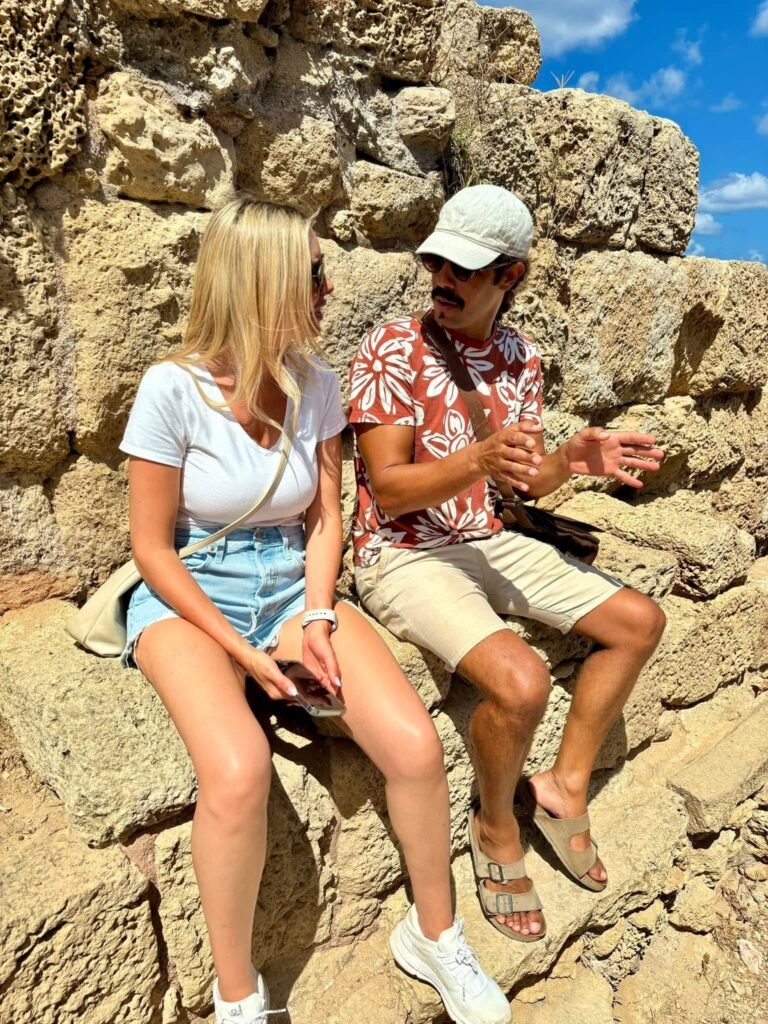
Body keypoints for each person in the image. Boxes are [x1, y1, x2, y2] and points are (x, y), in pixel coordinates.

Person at [118, 195, 512, 1024]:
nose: (331, 286)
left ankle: (434, 936)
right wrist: (244, 651)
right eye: (316, 272)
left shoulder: (317, 384)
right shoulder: (171, 391)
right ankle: (238, 999)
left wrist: (321, 616)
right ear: (265, 281)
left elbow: (326, 517)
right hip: (191, 593)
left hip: (292, 583)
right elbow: (152, 547)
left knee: (413, 744)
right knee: (237, 771)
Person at [348, 184, 667, 943]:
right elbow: (389, 492)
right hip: (403, 553)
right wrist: (476, 459)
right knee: (520, 681)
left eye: (464, 269)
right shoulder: (393, 348)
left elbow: (523, 480)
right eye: (436, 262)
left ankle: (562, 787)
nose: (443, 280)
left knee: (638, 621)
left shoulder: (520, 358)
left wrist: (572, 460)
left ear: (510, 276)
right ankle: (496, 827)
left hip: (485, 536)